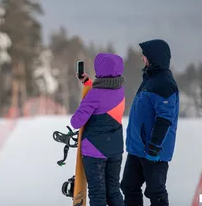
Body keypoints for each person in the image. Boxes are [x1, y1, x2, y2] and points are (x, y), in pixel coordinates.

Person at [121, 39, 179, 206]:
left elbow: (165, 118)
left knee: (155, 191)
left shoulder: (164, 84)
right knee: (129, 186)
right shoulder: (150, 78)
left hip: (153, 149)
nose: (142, 58)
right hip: (138, 147)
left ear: (154, 57)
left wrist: (154, 147)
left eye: (145, 55)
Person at [71, 53, 126, 206]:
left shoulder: (95, 95)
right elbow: (105, 96)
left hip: (95, 151)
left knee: (97, 193)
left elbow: (76, 122)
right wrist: (88, 83)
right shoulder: (120, 89)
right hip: (115, 149)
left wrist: (87, 94)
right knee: (114, 191)